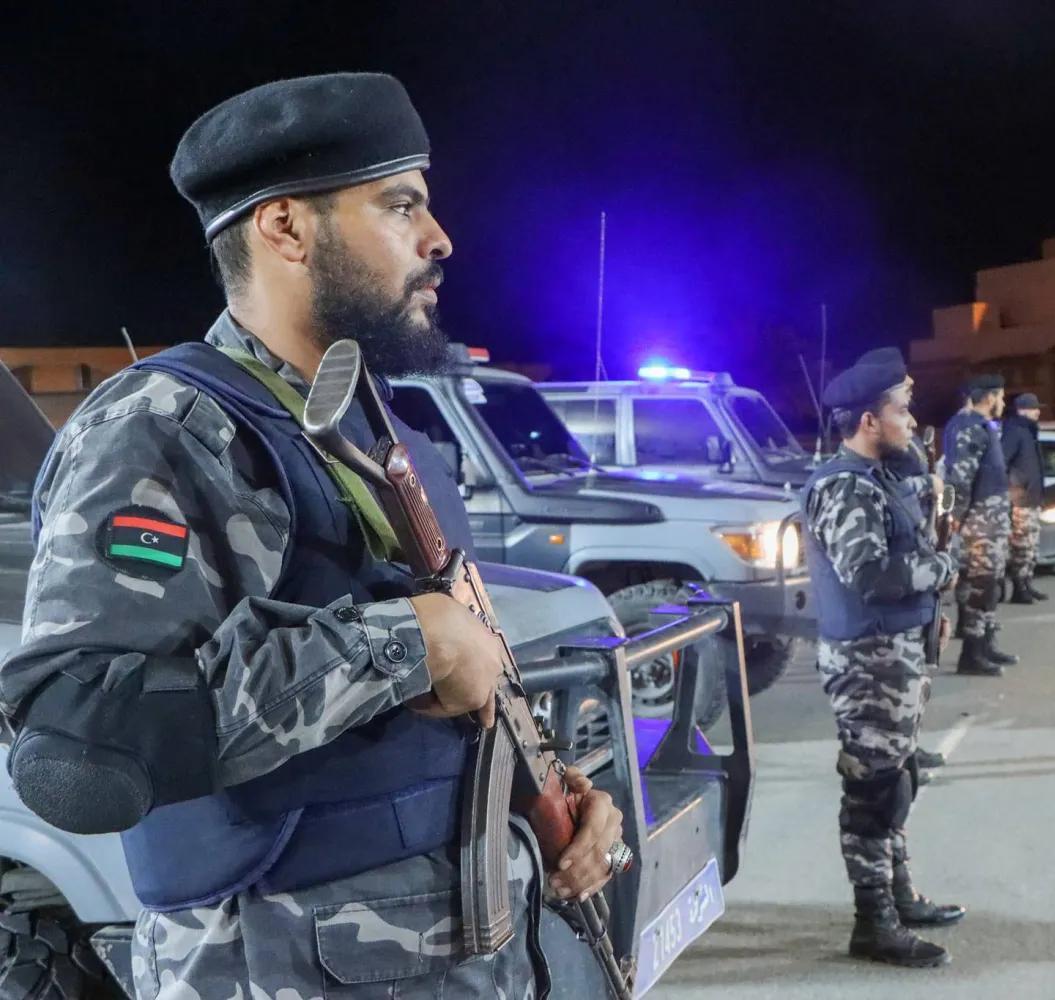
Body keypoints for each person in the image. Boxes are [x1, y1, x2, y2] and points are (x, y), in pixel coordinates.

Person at [0, 73, 624, 998]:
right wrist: (402, 643)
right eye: (400, 205)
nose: (439, 238)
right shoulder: (167, 431)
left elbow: (454, 685)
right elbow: (75, 739)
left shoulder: (375, 426)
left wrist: (551, 791)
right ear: (286, 228)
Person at [801, 356, 965, 968]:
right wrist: (942, 570)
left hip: (895, 659)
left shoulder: (879, 478)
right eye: (902, 410)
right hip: (868, 663)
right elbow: (868, 574)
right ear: (869, 421)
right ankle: (874, 924)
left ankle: (899, 897)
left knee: (898, 779)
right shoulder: (844, 486)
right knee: (873, 792)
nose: (912, 420)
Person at [856, 348, 946, 774]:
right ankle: (899, 754)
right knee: (891, 690)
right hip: (891, 600)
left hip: (914, 581)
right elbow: (871, 572)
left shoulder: (900, 448)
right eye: (904, 400)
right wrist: (928, 485)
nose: (910, 418)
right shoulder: (876, 465)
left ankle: (908, 746)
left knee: (914, 679)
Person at [941, 375, 1019, 675]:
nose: (1003, 402)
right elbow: (958, 479)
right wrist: (952, 518)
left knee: (991, 584)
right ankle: (972, 655)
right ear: (989, 397)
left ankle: (985, 644)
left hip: (990, 521)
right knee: (981, 586)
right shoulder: (970, 427)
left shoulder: (982, 426)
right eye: (1000, 396)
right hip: (980, 522)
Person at [1003, 392, 1049, 603]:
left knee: (1031, 544)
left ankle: (1027, 583)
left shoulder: (1029, 431)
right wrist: (1016, 486)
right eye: (1034, 408)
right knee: (1021, 544)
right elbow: (1003, 461)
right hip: (1021, 499)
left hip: (1031, 498)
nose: (1038, 412)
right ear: (1022, 410)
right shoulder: (1015, 431)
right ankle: (1019, 588)